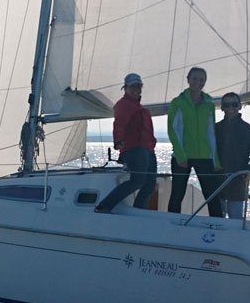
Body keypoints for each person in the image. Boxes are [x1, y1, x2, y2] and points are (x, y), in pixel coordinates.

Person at [166, 66, 224, 217]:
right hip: (182, 156)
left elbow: (211, 132)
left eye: (201, 79)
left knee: (211, 193)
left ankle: (217, 222)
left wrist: (215, 160)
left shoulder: (209, 103)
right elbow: (173, 130)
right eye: (194, 78)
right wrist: (181, 156)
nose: (198, 82)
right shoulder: (178, 102)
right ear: (188, 80)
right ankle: (172, 223)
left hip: (204, 156)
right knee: (177, 193)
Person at [95, 73, 157, 213]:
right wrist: (118, 140)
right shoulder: (123, 105)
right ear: (125, 88)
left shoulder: (140, 108)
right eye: (132, 86)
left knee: (149, 185)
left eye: (138, 86)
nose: (135, 89)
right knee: (137, 181)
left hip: (147, 150)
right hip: (135, 149)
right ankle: (104, 206)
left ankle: (139, 211)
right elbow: (119, 124)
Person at [214, 92, 250, 220]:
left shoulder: (249, 130)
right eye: (227, 105)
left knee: (236, 219)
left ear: (240, 106)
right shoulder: (215, 129)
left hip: (238, 181)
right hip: (215, 179)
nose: (230, 107)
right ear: (222, 108)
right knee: (216, 218)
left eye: (234, 104)